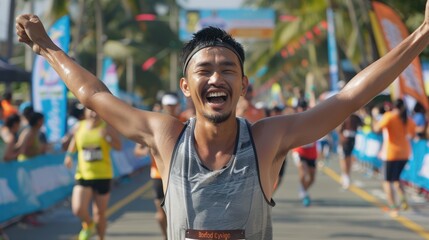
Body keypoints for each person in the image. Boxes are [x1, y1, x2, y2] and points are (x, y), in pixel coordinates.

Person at [16, 8, 429, 238]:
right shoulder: (166, 135)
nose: (216, 78)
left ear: (244, 84)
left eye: (228, 70)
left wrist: (421, 35)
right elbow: (94, 95)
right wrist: (47, 48)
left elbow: (350, 97)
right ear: (185, 86)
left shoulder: (269, 138)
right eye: (205, 70)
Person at [64, 108, 121, 240]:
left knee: (99, 214)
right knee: (78, 209)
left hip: (103, 175)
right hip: (83, 174)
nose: (94, 114)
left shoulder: (107, 127)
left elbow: (119, 146)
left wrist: (107, 138)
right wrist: (68, 155)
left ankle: (101, 237)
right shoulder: (79, 126)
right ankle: (88, 224)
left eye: (97, 111)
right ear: (85, 112)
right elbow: (74, 141)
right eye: (90, 111)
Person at [134, 92, 181, 240]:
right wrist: (149, 148)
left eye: (173, 105)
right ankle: (165, 236)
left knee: (178, 214)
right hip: (158, 175)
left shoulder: (186, 121)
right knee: (161, 215)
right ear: (163, 106)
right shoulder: (155, 124)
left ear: (177, 105)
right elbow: (137, 150)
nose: (170, 108)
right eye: (168, 105)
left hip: (179, 175)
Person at [373, 99, 416, 218]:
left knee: (387, 181)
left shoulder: (389, 116)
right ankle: (403, 200)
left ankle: (393, 207)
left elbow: (377, 129)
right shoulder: (408, 119)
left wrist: (376, 116)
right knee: (396, 179)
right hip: (405, 153)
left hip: (390, 153)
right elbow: (412, 134)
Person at [338, 112, 362, 189]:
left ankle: (347, 175)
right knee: (344, 159)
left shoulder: (355, 117)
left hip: (352, 140)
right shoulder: (344, 116)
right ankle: (345, 175)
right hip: (345, 140)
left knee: (348, 159)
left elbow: (361, 125)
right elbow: (339, 129)